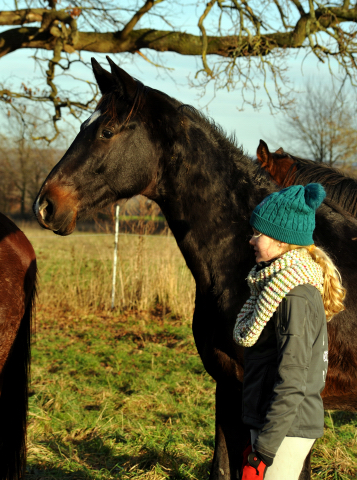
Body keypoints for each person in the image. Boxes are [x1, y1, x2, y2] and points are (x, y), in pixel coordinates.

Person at [233, 183, 346, 480]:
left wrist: (265, 451)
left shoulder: (293, 295)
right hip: (277, 425)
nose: (251, 240)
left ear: (282, 241)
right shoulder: (277, 285)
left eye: (259, 233)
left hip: (286, 430)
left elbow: (293, 380)